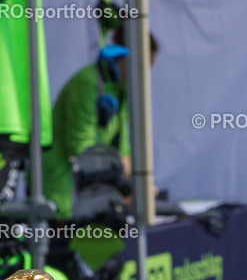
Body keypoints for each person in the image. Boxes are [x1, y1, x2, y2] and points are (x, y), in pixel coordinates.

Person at [42, 23, 159, 218]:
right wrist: (126, 171)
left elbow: (121, 144)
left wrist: (137, 182)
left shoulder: (121, 87)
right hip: (61, 194)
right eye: (142, 67)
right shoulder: (89, 85)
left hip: (86, 193)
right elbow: (80, 148)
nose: (145, 75)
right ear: (123, 57)